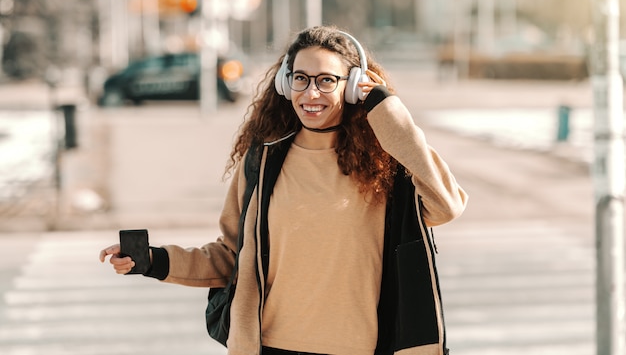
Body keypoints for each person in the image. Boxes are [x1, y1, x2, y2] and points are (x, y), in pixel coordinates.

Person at [99, 25, 468, 355]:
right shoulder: (263, 162)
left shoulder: (385, 167)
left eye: (327, 80)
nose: (311, 93)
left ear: (355, 86)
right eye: (301, 78)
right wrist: (153, 260)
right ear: (284, 83)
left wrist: (388, 113)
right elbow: (231, 256)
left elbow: (446, 204)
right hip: (272, 346)